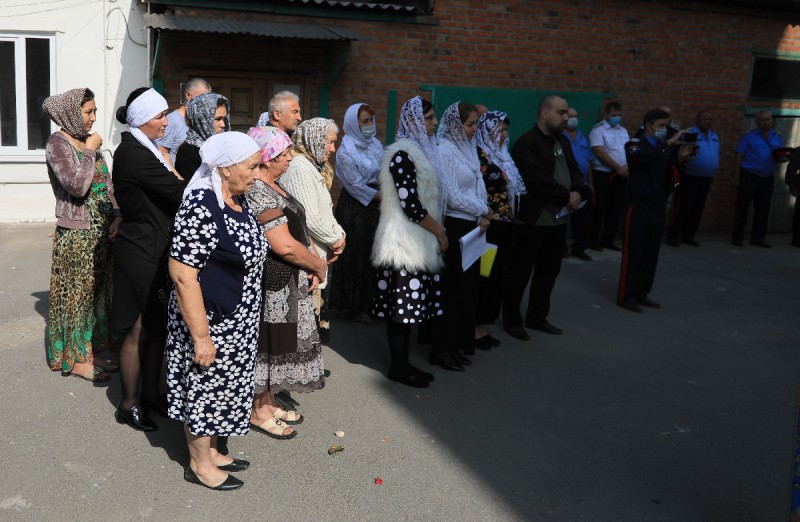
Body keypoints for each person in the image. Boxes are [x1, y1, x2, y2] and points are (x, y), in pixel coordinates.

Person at [166, 131, 267, 491]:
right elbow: (183, 275)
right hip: (209, 320)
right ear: (224, 168)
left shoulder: (236, 200)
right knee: (204, 388)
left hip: (237, 320)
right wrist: (201, 338)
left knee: (223, 386)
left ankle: (211, 450)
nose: (257, 174)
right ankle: (199, 464)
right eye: (251, 167)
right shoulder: (201, 206)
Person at [112, 87, 187, 432]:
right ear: (143, 119)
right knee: (141, 326)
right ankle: (128, 403)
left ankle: (152, 395)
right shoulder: (134, 154)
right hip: (141, 249)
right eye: (159, 116)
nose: (165, 122)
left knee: (158, 325)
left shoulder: (147, 149)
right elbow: (177, 193)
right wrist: (174, 172)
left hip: (154, 246)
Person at [245, 126, 328, 439]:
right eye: (284, 153)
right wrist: (317, 265)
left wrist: (312, 262)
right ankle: (258, 410)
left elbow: (298, 231)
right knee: (268, 344)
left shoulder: (274, 184)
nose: (290, 157)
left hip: (289, 279)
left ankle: (267, 401)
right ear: (267, 158)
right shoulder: (257, 189)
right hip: (274, 283)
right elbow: (283, 245)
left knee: (279, 343)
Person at [42, 87, 122, 382]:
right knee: (77, 298)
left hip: (102, 231)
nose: (93, 117)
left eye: (95, 111)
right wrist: (89, 150)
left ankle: (92, 349)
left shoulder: (87, 141)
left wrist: (117, 215)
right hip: (77, 235)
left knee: (99, 295)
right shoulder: (58, 144)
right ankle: (76, 360)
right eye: (88, 112)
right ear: (71, 114)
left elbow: (107, 184)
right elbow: (77, 186)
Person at [372, 95, 445, 387]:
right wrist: (439, 231)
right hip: (403, 243)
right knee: (400, 311)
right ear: (414, 121)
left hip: (418, 240)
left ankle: (403, 364)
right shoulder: (402, 154)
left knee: (409, 309)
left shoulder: (421, 152)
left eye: (434, 117)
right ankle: (399, 367)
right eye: (428, 118)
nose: (434, 123)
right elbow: (411, 205)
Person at [502, 95, 584, 340]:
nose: (566, 118)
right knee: (520, 273)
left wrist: (578, 190)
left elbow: (575, 170)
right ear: (545, 113)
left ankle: (537, 317)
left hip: (558, 221)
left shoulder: (562, 140)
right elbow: (537, 181)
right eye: (561, 113)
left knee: (548, 273)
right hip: (532, 222)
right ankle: (512, 321)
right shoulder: (526, 143)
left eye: (567, 113)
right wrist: (566, 196)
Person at [432, 101, 492, 369]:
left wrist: (483, 215)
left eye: (475, 123)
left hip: (473, 227)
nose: (474, 129)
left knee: (467, 289)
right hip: (455, 226)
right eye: (469, 124)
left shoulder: (468, 148)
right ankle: (442, 347)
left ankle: (457, 343)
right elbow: (453, 197)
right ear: (456, 126)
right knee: (451, 291)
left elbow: (479, 185)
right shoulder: (444, 150)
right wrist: (484, 210)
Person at [618, 109, 696, 313]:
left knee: (650, 254)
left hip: (658, 206)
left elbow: (671, 175)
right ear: (649, 126)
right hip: (639, 206)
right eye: (661, 125)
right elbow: (640, 159)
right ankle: (626, 296)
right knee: (634, 253)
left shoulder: (663, 149)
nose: (665, 129)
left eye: (666, 126)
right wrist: (667, 144)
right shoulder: (635, 144)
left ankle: (642, 292)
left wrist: (681, 159)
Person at [279, 118, 345, 344]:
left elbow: (325, 211)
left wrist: (340, 235)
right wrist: (336, 239)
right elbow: (309, 217)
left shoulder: (311, 166)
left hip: (318, 251)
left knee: (314, 317)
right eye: (329, 142)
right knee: (304, 322)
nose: (332, 149)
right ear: (314, 139)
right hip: (307, 254)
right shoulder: (300, 168)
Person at [475, 110, 526, 347]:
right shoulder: (479, 154)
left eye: (506, 130)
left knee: (497, 276)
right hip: (488, 225)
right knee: (484, 275)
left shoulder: (503, 155)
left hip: (505, 223)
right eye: (500, 130)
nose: (504, 135)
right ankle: (474, 327)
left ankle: (483, 325)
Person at [330, 103, 384, 324]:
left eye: (371, 120)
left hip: (377, 205)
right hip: (356, 207)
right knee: (356, 256)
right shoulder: (346, 151)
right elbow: (356, 186)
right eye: (364, 121)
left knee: (373, 254)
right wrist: (387, 195)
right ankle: (354, 305)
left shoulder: (375, 145)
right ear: (354, 123)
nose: (369, 125)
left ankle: (370, 302)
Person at [732, 110, 784, 248]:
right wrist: (736, 177)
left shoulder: (777, 137)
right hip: (749, 175)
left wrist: (783, 158)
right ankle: (737, 237)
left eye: (768, 119)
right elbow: (739, 157)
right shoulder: (748, 137)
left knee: (763, 209)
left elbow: (779, 156)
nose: (766, 122)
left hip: (767, 177)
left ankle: (758, 238)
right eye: (763, 120)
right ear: (757, 122)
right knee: (742, 207)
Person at [667, 110, 719, 247]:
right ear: (697, 120)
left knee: (698, 208)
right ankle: (674, 236)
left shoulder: (714, 136)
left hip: (706, 178)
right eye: (705, 119)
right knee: (684, 207)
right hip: (690, 177)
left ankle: (688, 236)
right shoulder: (691, 134)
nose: (707, 122)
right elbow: (681, 153)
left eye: (710, 119)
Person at [589, 101, 629, 251]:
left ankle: (608, 240)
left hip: (621, 174)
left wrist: (625, 167)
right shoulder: (598, 130)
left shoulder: (623, 131)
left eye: (619, 115)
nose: (617, 117)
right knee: (599, 207)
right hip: (603, 174)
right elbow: (599, 152)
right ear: (606, 115)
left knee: (615, 208)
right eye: (614, 115)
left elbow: (628, 150)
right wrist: (617, 167)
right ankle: (593, 240)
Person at [174, 92, 230, 179]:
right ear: (201, 119)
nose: (223, 124)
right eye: (218, 119)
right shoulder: (188, 152)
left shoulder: (221, 146)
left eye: (224, 119)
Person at [562, 107, 594, 260]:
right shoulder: (559, 137)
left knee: (582, 217)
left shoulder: (584, 137)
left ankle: (579, 247)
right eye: (570, 116)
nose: (573, 119)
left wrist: (590, 183)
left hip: (583, 183)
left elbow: (589, 163)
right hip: (565, 183)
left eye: (576, 116)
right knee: (562, 216)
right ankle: (561, 247)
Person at [156, 78, 211, 165]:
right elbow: (161, 155)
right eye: (201, 99)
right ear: (188, 95)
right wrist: (176, 174)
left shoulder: (200, 122)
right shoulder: (172, 121)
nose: (205, 103)